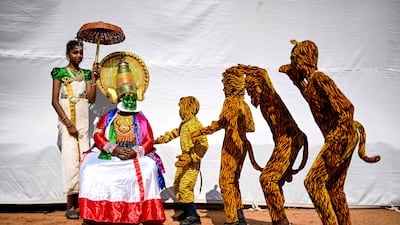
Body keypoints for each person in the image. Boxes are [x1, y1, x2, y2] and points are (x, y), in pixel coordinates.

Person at [279, 40, 380, 225]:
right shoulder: (312, 84)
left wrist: (338, 136)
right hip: (346, 134)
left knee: (313, 182)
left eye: (294, 59)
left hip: (342, 135)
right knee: (334, 187)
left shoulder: (320, 78)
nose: (293, 63)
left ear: (304, 59)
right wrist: (293, 78)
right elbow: (309, 96)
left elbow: (347, 107)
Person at [78, 58, 166, 225]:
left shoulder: (140, 118)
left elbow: (149, 139)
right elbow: (98, 136)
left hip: (134, 155)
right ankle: (96, 214)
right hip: (111, 154)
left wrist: (135, 151)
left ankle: (143, 213)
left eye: (132, 96)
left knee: (149, 168)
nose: (129, 100)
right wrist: (115, 149)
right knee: (90, 169)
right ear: (117, 97)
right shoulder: (109, 117)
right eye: (126, 96)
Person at [242, 64, 308, 225]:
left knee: (267, 179)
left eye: (251, 87)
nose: (248, 91)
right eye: (247, 87)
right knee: (274, 181)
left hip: (289, 139)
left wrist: (252, 72)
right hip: (285, 140)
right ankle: (279, 217)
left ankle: (280, 221)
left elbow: (264, 77)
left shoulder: (269, 97)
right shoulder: (264, 102)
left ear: (261, 84)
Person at [191, 66, 255, 225]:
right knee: (235, 181)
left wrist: (202, 131)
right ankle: (240, 216)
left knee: (226, 181)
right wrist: (238, 124)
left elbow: (221, 123)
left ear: (231, 85)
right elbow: (251, 127)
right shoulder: (244, 104)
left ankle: (233, 219)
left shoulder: (230, 102)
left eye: (225, 84)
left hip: (231, 145)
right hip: (243, 144)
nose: (223, 88)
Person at [51, 38, 98, 220]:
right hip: (67, 122)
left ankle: (83, 204)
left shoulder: (86, 74)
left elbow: (92, 99)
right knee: (70, 161)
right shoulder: (59, 73)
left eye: (81, 52)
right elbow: (54, 100)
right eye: (75, 52)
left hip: (83, 122)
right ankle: (70, 205)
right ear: (67, 54)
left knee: (84, 160)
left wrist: (94, 78)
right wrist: (68, 124)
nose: (79, 56)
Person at [155, 96, 209, 225]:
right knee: (178, 185)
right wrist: (158, 140)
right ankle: (186, 212)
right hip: (183, 161)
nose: (179, 112)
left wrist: (191, 157)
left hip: (192, 163)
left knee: (185, 187)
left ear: (188, 108)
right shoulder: (185, 124)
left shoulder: (195, 125)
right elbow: (174, 133)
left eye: (181, 109)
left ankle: (194, 217)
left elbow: (204, 145)